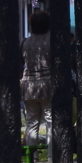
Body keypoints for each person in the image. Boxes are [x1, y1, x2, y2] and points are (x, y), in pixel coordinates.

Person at [21, 10, 53, 154]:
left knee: (32, 122)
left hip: (28, 84)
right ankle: (52, 157)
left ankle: (32, 158)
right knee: (50, 122)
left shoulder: (26, 42)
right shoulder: (52, 40)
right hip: (47, 84)